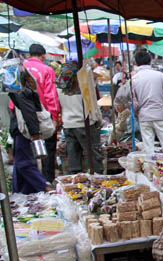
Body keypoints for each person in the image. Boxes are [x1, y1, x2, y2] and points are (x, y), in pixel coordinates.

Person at [56, 63, 104, 174]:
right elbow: (93, 105)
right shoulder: (83, 83)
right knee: (93, 158)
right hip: (85, 123)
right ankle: (96, 179)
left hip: (68, 124)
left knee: (73, 159)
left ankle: (75, 181)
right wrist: (99, 120)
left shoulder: (60, 85)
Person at [8, 68, 48, 194]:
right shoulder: (21, 91)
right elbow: (29, 112)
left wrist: (35, 134)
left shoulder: (21, 91)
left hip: (23, 132)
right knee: (24, 164)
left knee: (23, 164)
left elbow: (29, 112)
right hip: (24, 132)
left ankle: (38, 189)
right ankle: (35, 190)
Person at [24, 44, 60, 184]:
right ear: (43, 56)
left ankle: (31, 182)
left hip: (22, 115)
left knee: (26, 148)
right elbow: (51, 95)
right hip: (42, 115)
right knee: (48, 148)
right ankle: (47, 180)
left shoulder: (21, 67)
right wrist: (54, 117)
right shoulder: (46, 70)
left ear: (29, 54)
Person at [131, 49, 163, 154]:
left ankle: (150, 164)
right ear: (150, 61)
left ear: (136, 63)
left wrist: (137, 111)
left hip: (144, 116)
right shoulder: (160, 76)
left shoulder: (134, 79)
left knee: (149, 149)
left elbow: (133, 101)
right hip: (160, 114)